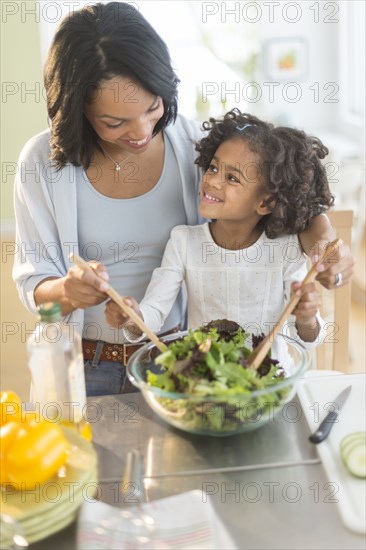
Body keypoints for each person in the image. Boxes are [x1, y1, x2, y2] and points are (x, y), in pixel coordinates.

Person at [13, 2, 354, 396]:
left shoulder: (198, 149)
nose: (142, 131)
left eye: (152, 107)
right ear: (77, 110)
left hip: (181, 359)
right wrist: (67, 291)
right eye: (114, 122)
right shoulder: (40, 163)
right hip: (86, 365)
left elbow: (286, 181)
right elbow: (34, 283)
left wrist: (326, 240)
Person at [105, 109, 332, 356]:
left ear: (265, 203)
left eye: (232, 178)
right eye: (213, 168)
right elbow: (154, 312)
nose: (212, 181)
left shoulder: (286, 249)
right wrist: (133, 317)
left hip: (269, 385)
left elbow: (310, 339)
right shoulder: (184, 241)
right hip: (205, 381)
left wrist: (307, 319)